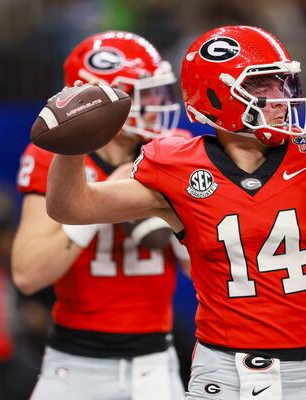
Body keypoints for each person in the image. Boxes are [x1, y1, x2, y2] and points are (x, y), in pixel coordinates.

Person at [46, 25, 306, 400]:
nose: (280, 97)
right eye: (263, 85)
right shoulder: (176, 166)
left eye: (282, 83)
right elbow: (73, 207)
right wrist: (72, 145)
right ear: (216, 94)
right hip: (222, 374)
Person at [11, 31, 191, 400]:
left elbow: (205, 267)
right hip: (75, 363)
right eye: (147, 94)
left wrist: (181, 223)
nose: (159, 105)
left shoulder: (169, 153)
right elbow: (27, 274)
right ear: (102, 98)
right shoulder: (56, 158)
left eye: (160, 92)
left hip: (155, 363)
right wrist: (95, 203)